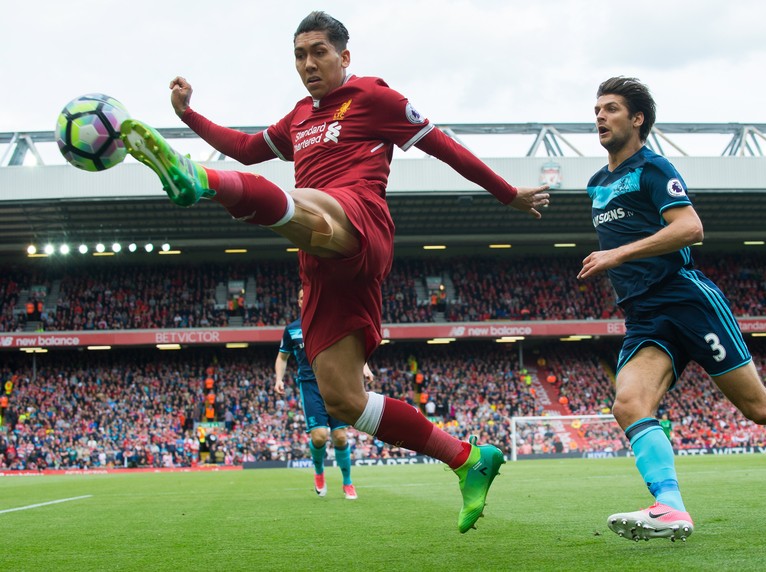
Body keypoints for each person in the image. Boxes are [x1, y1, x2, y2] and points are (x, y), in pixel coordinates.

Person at [120, 10, 550, 533]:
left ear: (344, 55)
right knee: (342, 400)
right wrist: (190, 115)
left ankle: (197, 178)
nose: (308, 63)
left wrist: (509, 194)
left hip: (360, 218)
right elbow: (247, 148)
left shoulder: (375, 98)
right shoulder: (299, 116)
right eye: (300, 55)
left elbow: (447, 148)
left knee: (305, 205)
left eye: (319, 51)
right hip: (319, 264)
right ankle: (466, 459)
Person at [577, 76, 766, 542]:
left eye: (610, 108)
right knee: (629, 404)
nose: (599, 116)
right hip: (643, 315)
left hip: (686, 299)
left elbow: (691, 228)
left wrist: (618, 254)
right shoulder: (596, 184)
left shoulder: (654, 168)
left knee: (761, 408)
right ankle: (670, 507)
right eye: (596, 109)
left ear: (637, 119)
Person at [275, 288, 373, 500]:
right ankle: (319, 471)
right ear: (299, 302)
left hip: (335, 383)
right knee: (320, 436)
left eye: (308, 296)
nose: (305, 300)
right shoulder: (292, 330)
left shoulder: (332, 323)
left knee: (339, 436)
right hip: (310, 385)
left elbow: (353, 347)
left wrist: (363, 367)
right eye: (301, 297)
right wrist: (278, 379)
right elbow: (282, 358)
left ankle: (347, 482)